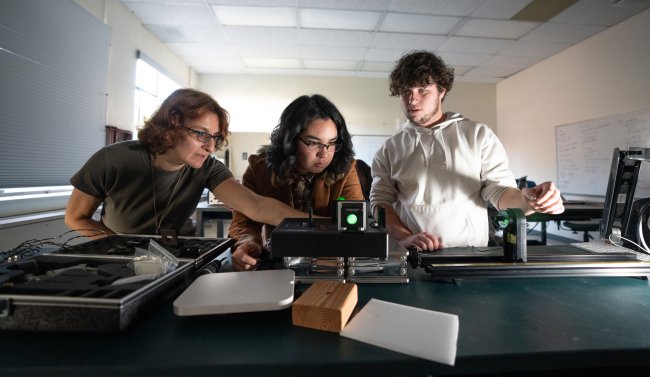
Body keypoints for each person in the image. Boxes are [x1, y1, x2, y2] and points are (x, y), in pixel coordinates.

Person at [370, 50, 565, 251]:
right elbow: (380, 203)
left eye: (422, 90)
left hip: (470, 255)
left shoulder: (478, 136)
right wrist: (405, 238)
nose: (412, 100)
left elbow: (499, 191)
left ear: (442, 91)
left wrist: (529, 201)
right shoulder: (390, 149)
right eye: (406, 91)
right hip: (413, 255)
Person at [65, 88, 311, 239]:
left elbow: (257, 206)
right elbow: (76, 217)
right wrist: (119, 247)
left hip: (179, 258)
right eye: (202, 134)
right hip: (119, 261)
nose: (211, 147)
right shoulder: (113, 160)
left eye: (215, 138)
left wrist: (323, 225)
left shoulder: (208, 168)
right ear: (173, 124)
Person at [228, 94, 364, 270]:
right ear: (290, 140)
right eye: (314, 143)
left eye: (332, 143)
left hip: (329, 263)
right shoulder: (260, 168)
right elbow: (243, 222)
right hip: (279, 264)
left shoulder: (346, 169)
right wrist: (247, 242)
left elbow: (354, 227)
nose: (324, 154)